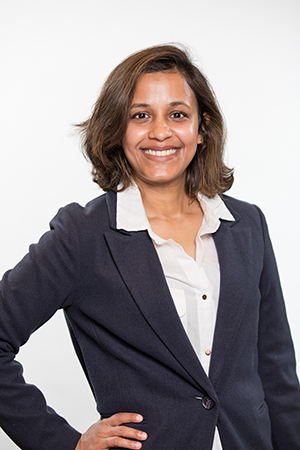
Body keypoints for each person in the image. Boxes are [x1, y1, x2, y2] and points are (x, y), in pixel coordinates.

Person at [0, 44, 299, 450]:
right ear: (116, 128)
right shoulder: (83, 235)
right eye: (140, 115)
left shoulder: (246, 225)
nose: (161, 132)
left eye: (178, 114)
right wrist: (64, 444)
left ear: (202, 126)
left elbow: (276, 371)